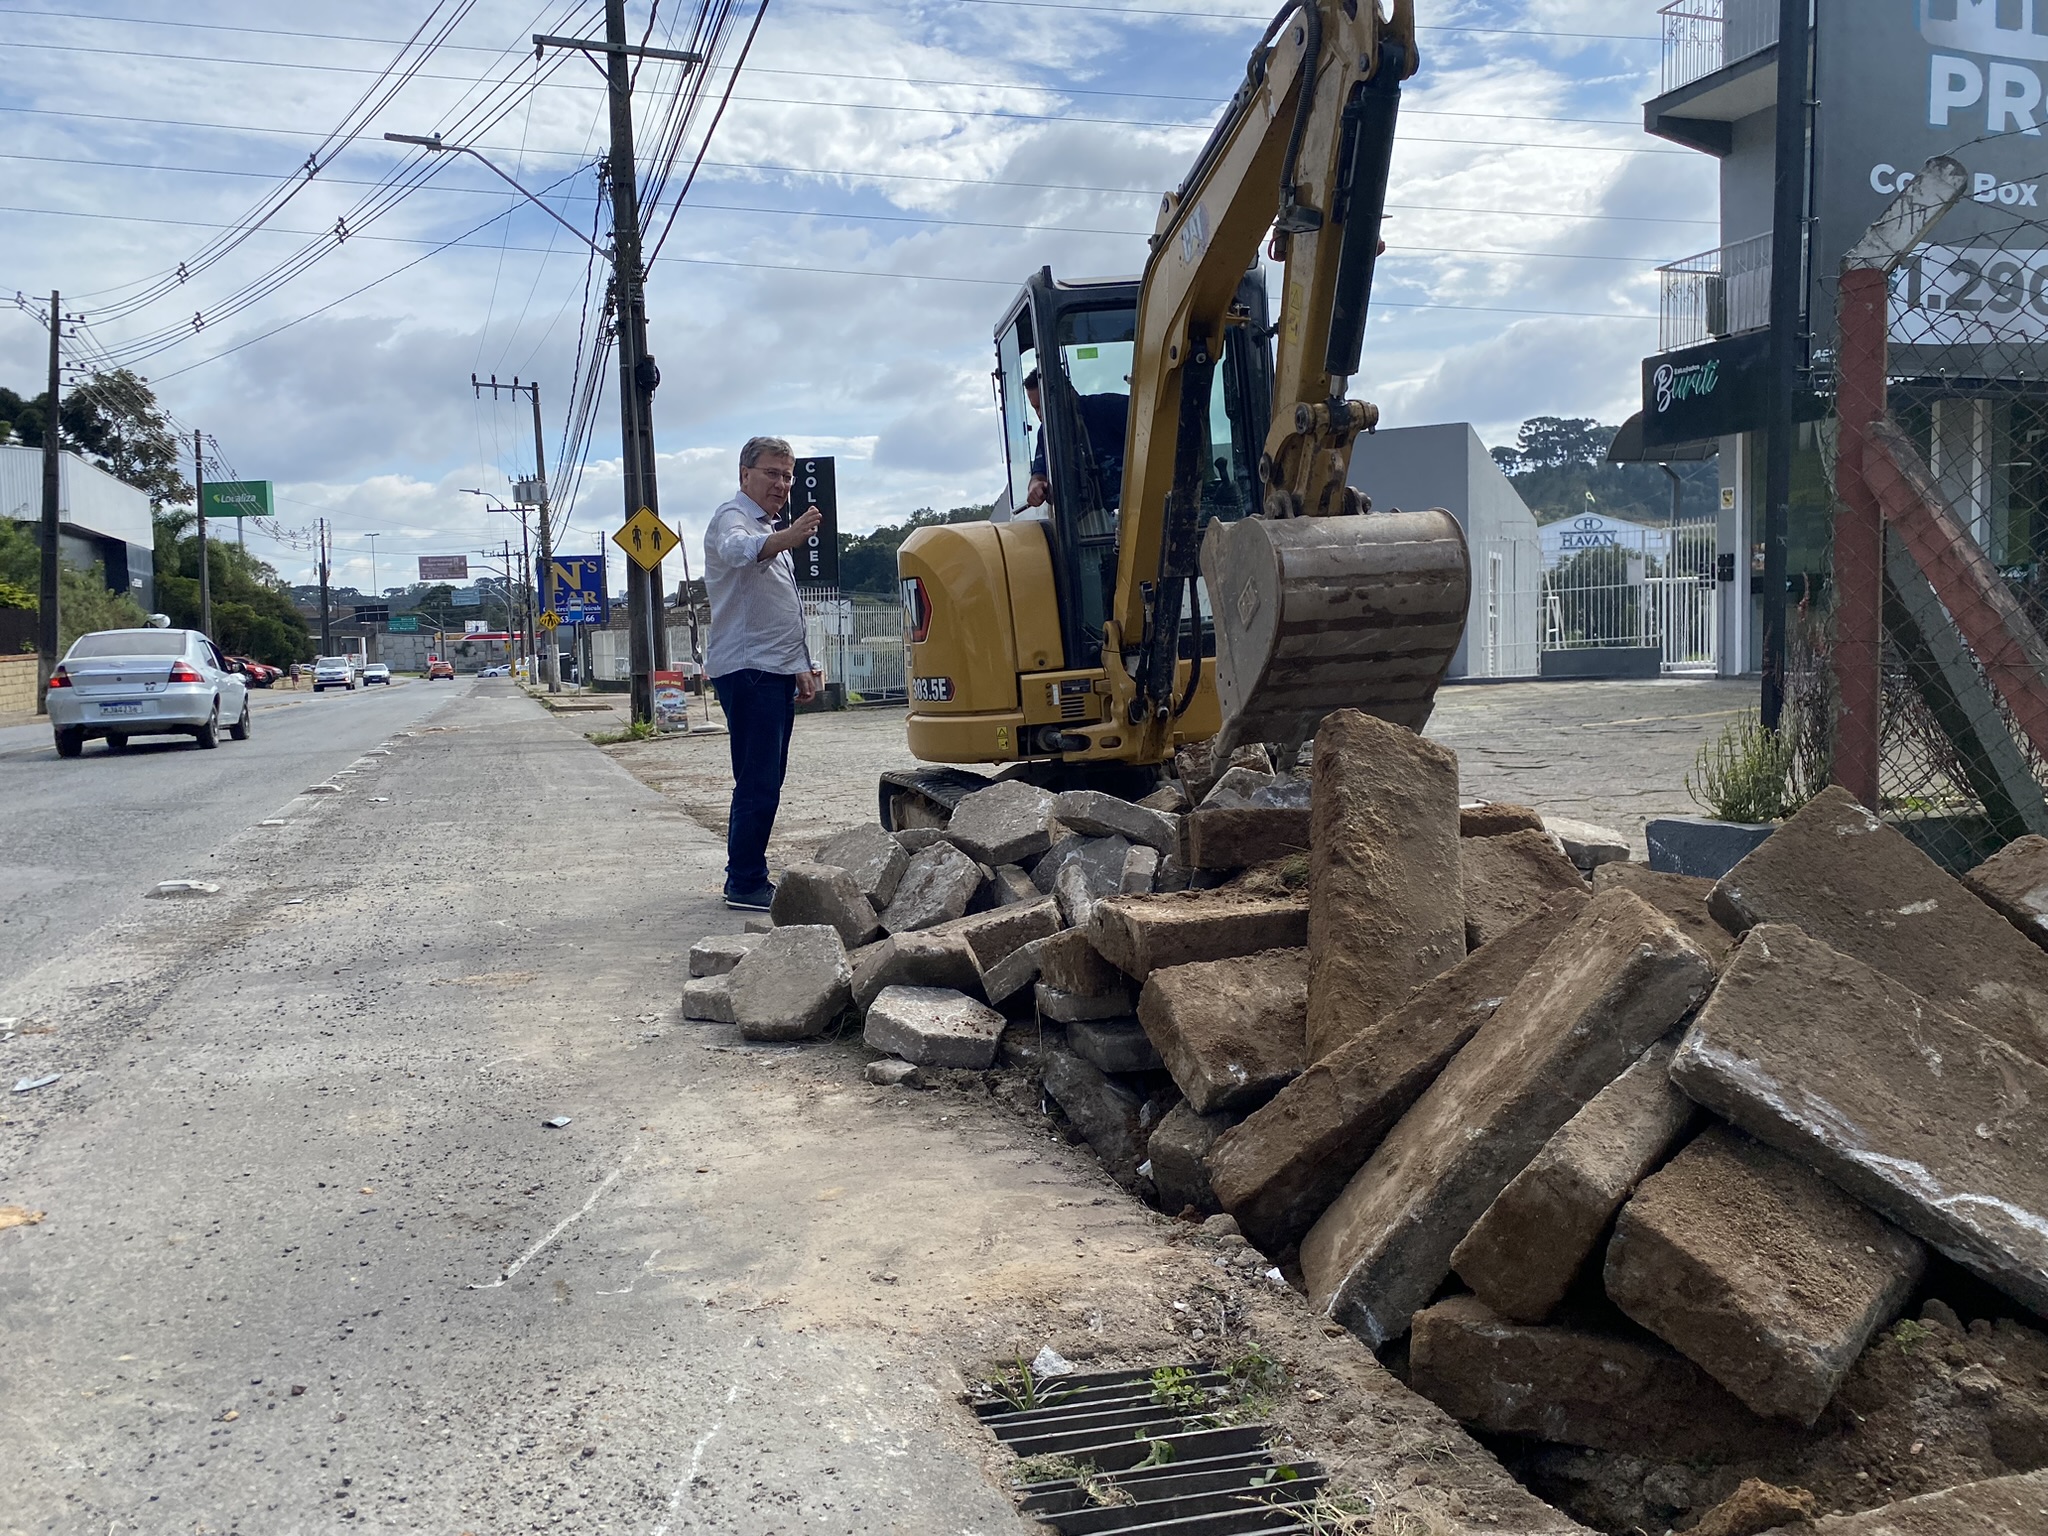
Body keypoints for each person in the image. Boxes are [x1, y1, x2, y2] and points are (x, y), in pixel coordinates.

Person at [703, 435, 824, 911]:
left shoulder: (770, 530)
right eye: (772, 473)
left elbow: (779, 609)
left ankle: (748, 875)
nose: (781, 483)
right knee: (757, 779)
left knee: (767, 777)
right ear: (744, 474)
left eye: (788, 475)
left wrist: (800, 667)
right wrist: (787, 537)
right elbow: (737, 551)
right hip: (748, 669)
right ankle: (746, 881)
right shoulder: (733, 519)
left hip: (772, 668)